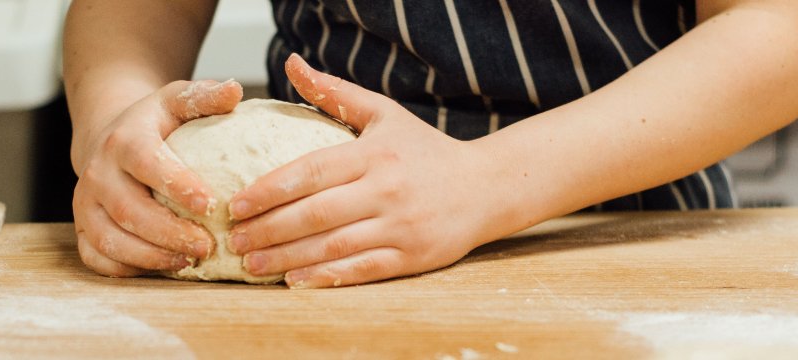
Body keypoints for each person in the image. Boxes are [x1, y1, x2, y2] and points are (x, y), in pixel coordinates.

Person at [62, 0, 798, 288]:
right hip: (316, 243)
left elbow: (777, 24)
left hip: (623, 237)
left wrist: (486, 180)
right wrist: (112, 125)